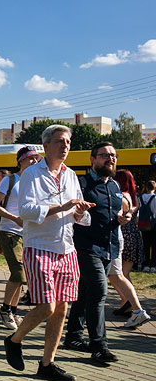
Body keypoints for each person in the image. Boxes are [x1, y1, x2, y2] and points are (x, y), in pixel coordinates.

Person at [4, 124, 94, 381]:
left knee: (62, 310)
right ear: (45, 146)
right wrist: (61, 207)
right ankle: (14, 339)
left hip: (66, 249)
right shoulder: (31, 173)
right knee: (46, 307)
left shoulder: (71, 176)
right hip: (39, 247)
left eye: (67, 141)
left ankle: (47, 364)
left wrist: (79, 212)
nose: (64, 146)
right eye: (59, 141)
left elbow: (81, 215)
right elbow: (27, 211)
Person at [63, 142, 129, 365]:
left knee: (85, 292)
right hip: (85, 247)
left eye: (113, 155)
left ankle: (73, 337)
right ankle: (99, 346)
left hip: (109, 247)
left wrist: (123, 218)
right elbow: (70, 213)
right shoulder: (81, 184)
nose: (110, 159)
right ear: (92, 160)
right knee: (100, 292)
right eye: (104, 155)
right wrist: (78, 212)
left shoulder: (115, 186)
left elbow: (115, 213)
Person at [0, 147, 40, 330]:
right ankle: (5, 310)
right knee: (19, 272)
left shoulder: (35, 182)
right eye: (31, 159)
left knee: (23, 275)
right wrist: (14, 219)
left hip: (28, 233)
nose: (35, 162)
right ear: (21, 161)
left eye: (36, 159)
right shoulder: (10, 180)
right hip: (9, 231)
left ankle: (12, 310)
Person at [108, 169, 151, 328]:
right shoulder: (134, 197)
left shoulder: (121, 195)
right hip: (132, 235)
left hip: (122, 235)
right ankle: (130, 304)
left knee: (119, 274)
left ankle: (133, 306)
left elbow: (118, 213)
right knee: (117, 274)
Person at [138, 180, 156, 272]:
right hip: (153, 224)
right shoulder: (155, 198)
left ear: (146, 188)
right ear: (155, 188)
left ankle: (145, 264)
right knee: (154, 245)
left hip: (143, 224)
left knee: (145, 244)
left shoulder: (140, 198)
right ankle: (153, 265)